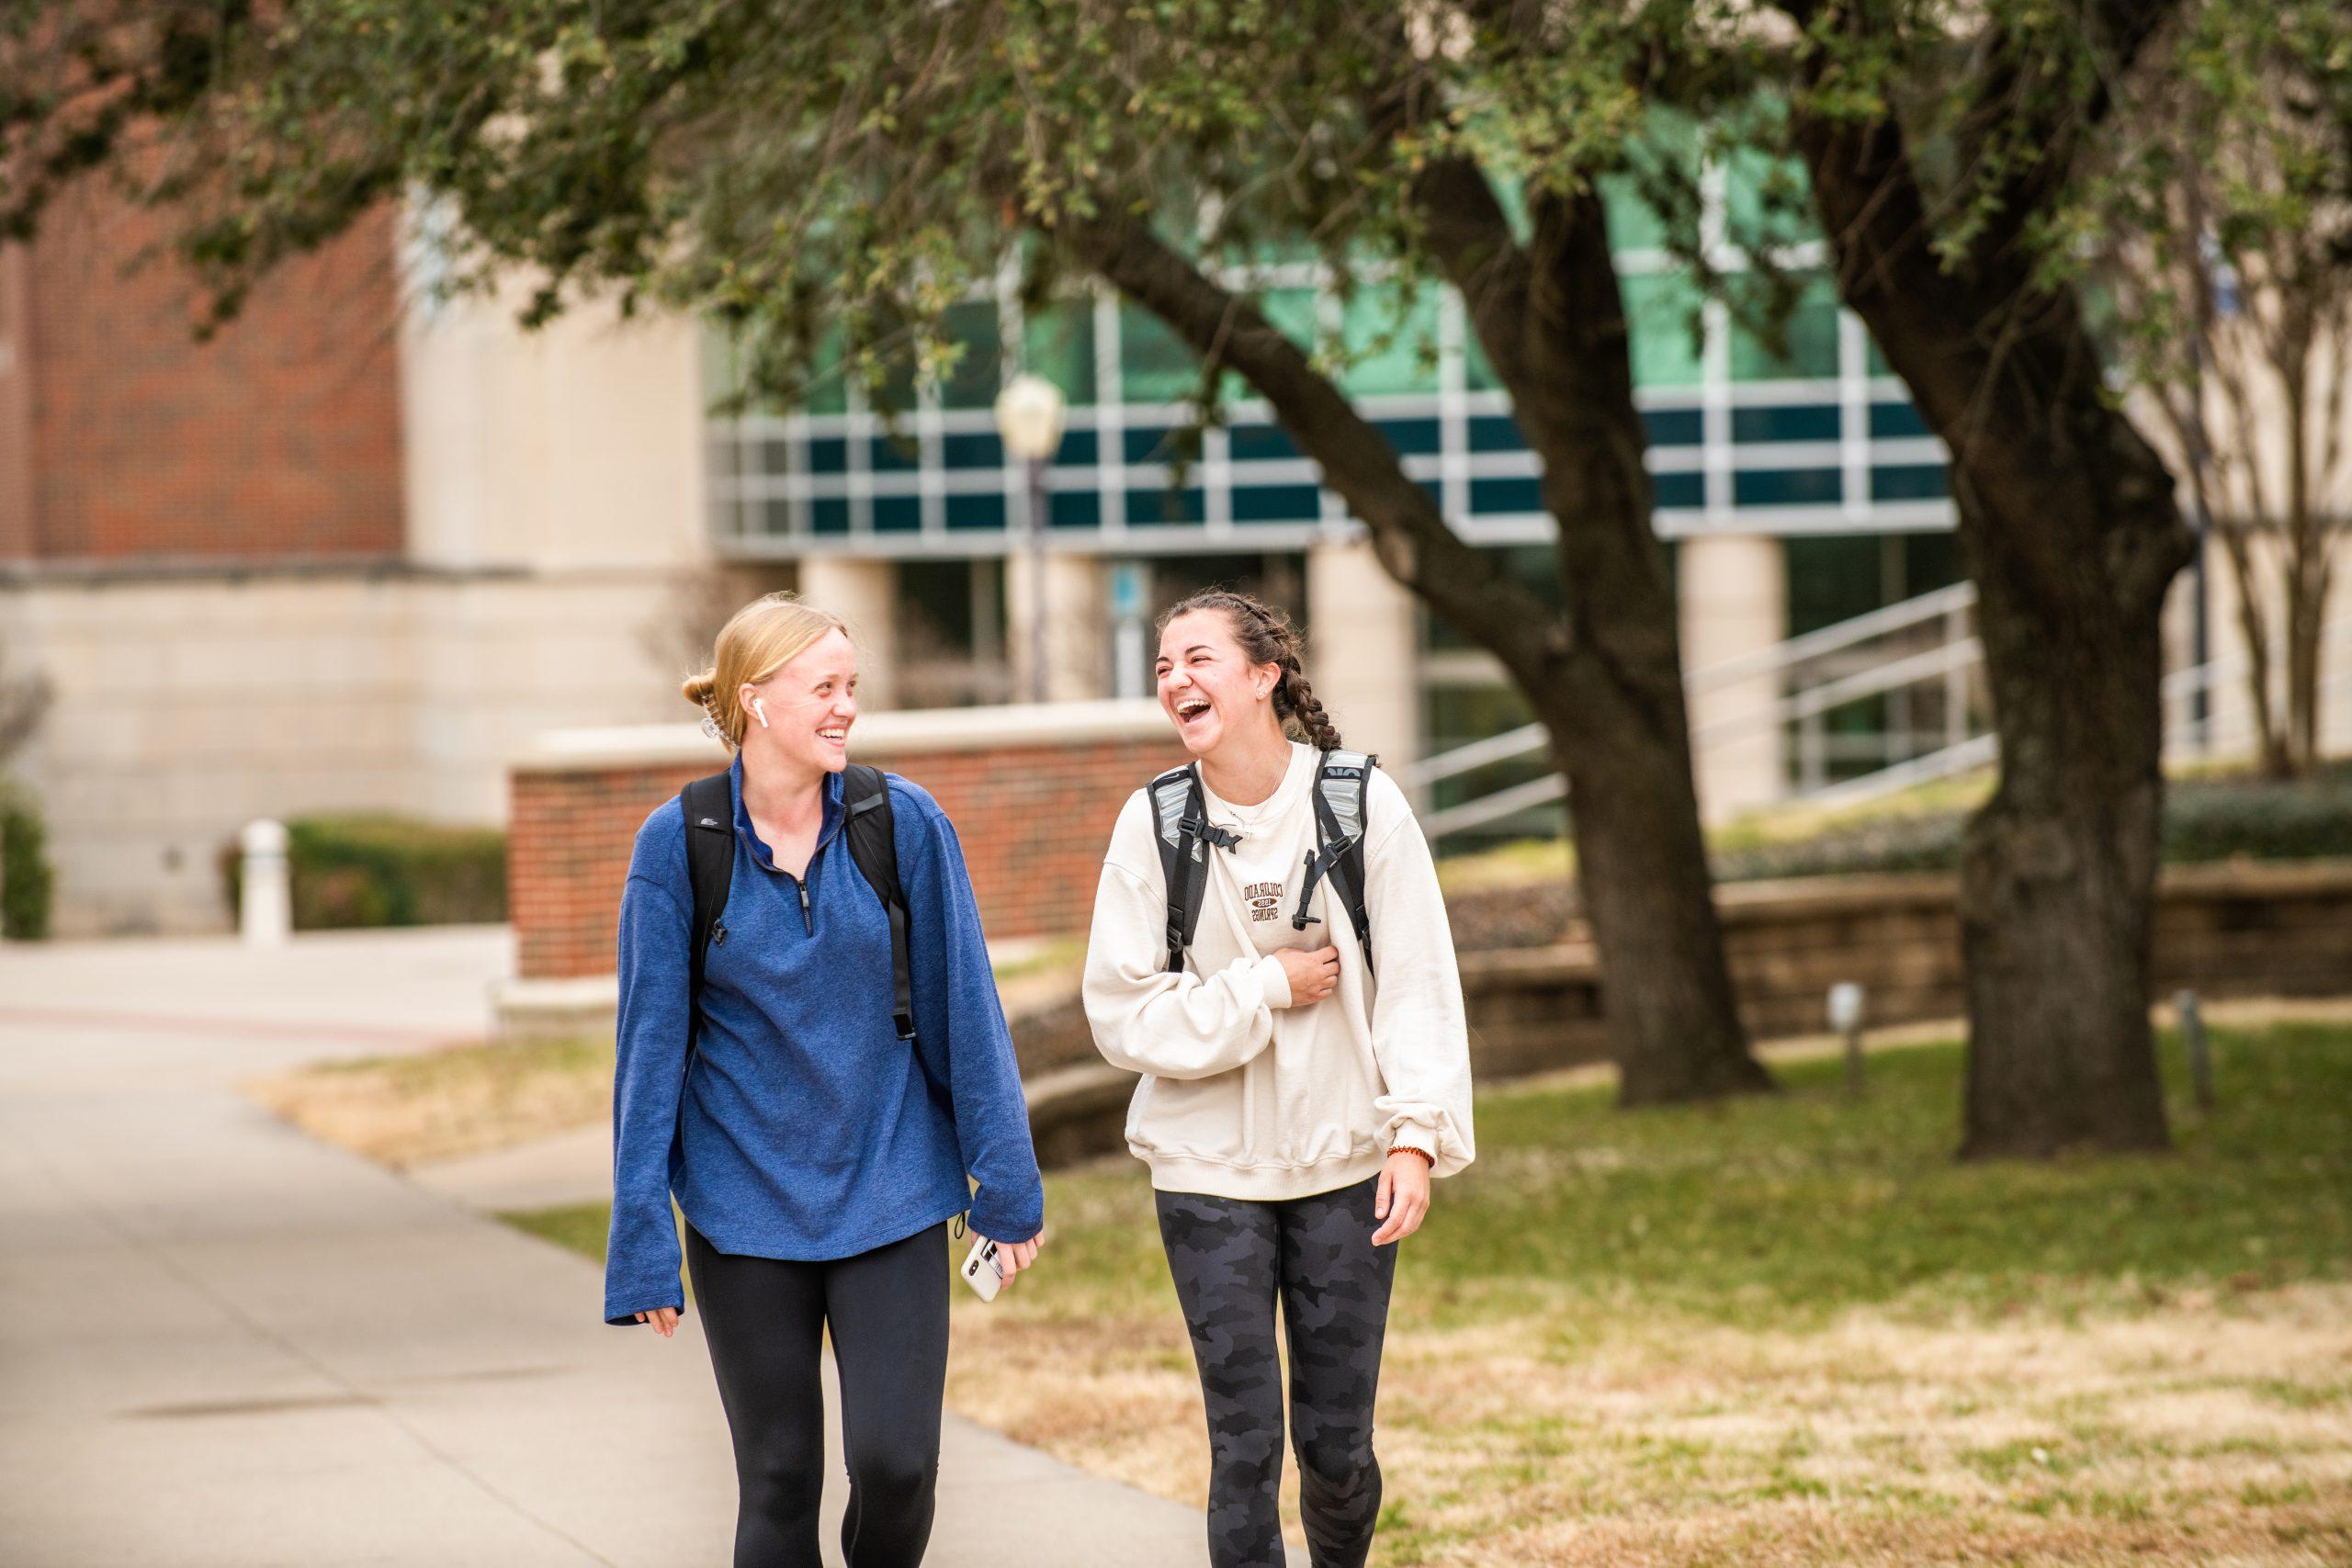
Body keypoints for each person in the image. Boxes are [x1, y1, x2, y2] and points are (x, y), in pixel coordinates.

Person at [603, 592, 1046, 1568]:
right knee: (778, 1477)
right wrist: (641, 1236)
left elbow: (963, 1011)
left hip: (890, 1190)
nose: (846, 707)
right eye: (825, 688)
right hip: (741, 1204)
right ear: (757, 702)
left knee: (896, 1468)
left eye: (852, 687)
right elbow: (649, 1054)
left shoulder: (904, 824)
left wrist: (1006, 1183)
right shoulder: (678, 846)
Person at [1081, 588, 1475, 1568]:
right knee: (1243, 1447)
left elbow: (1418, 982)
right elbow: (1121, 1014)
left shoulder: (1357, 801)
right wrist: (1263, 985)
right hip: (1206, 1173)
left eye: (1199, 659)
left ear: (1264, 677)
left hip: (1346, 1164)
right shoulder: (1154, 824)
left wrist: (1415, 1135)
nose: (1175, 678)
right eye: (1164, 664)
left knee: (1336, 1449)